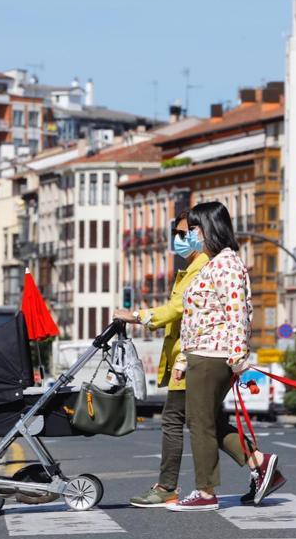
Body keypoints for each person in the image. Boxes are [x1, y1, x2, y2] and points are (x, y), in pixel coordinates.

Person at [165, 201, 285, 512]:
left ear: (209, 228)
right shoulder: (211, 263)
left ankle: (205, 492)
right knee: (210, 421)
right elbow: (195, 318)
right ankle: (260, 463)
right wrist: (181, 361)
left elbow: (238, 314)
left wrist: (237, 359)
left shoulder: (228, 265)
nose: (190, 235)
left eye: (194, 229)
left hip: (213, 355)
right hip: (199, 354)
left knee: (200, 423)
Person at [114, 211, 208, 508]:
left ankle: (167, 486)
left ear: (200, 234)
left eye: (184, 234)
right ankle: (260, 463)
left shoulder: (200, 268)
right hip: (188, 355)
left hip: (189, 356)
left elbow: (175, 309)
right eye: (177, 234)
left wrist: (136, 316)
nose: (178, 240)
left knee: (172, 420)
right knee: (210, 422)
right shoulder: (193, 267)